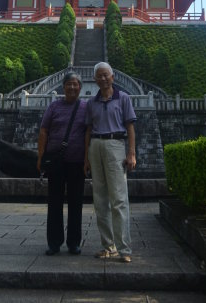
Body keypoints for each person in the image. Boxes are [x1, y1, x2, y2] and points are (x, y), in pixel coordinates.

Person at [84, 61, 137, 263]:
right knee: (100, 199)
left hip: (116, 144)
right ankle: (108, 246)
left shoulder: (123, 98)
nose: (103, 78)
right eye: (99, 76)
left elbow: (130, 127)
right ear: (95, 79)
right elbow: (88, 131)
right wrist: (85, 158)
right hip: (95, 146)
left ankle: (124, 248)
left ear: (112, 77)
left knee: (119, 199)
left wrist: (131, 153)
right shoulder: (91, 103)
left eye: (106, 75)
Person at [37, 71, 87, 256]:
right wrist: (40, 157)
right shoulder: (54, 107)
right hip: (56, 162)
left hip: (77, 162)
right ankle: (54, 243)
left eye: (75, 84)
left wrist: (88, 159)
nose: (72, 87)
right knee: (54, 202)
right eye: (69, 84)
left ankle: (74, 243)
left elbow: (89, 132)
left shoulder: (85, 107)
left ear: (80, 88)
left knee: (76, 203)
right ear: (63, 87)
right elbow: (43, 131)